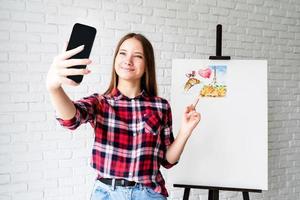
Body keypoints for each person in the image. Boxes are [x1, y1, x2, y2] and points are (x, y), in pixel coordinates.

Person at [46, 33, 201, 200]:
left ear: (147, 64)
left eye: (138, 56)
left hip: (148, 194)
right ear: (115, 60)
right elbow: (71, 119)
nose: (128, 60)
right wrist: (54, 88)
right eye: (123, 53)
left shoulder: (161, 106)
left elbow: (167, 160)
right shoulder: (100, 102)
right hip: (106, 194)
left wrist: (185, 131)